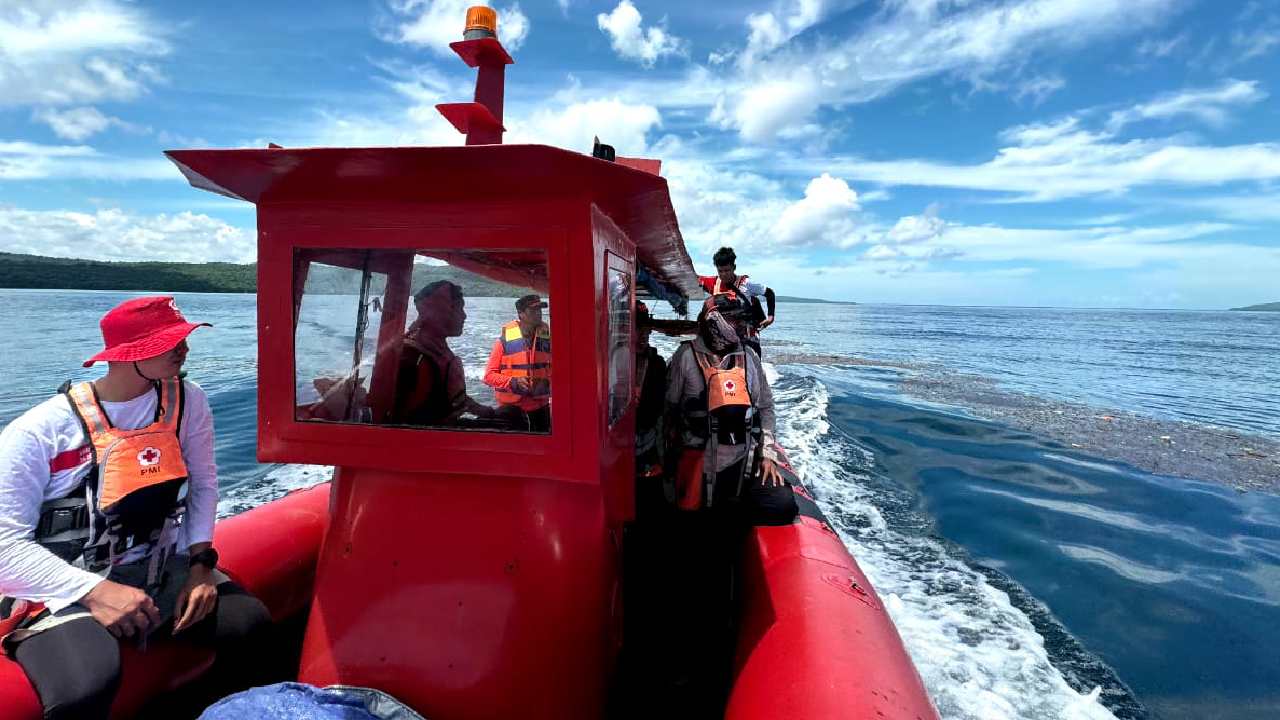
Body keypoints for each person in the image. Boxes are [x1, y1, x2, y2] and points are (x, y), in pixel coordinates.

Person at [0, 296, 272, 720]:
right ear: (129, 355)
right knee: (85, 684)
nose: (184, 350)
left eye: (183, 339)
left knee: (249, 623)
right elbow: (5, 545)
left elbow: (203, 483)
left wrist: (201, 566)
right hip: (63, 585)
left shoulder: (188, 402)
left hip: (157, 566)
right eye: (170, 343)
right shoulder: (38, 433)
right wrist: (95, 592)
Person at [660, 294, 796, 713]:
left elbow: (766, 408)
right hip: (699, 473)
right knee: (693, 570)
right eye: (734, 321)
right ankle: (686, 660)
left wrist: (767, 453)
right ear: (714, 321)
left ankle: (727, 634)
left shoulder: (748, 358)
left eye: (742, 322)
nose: (741, 328)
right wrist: (668, 474)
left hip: (739, 471)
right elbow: (669, 415)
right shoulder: (685, 360)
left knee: (781, 507)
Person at [394, 281, 495, 426]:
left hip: (442, 429)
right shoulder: (413, 358)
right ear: (441, 312)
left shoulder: (435, 350)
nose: (464, 316)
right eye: (459, 309)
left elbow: (447, 396)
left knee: (510, 413)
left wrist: (481, 410)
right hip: (427, 436)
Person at [483, 294, 552, 432]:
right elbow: (488, 376)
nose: (538, 313)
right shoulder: (503, 343)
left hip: (541, 408)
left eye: (540, 309)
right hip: (514, 412)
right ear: (521, 314)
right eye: (533, 310)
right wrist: (512, 382)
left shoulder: (547, 338)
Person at [696, 246, 776, 357]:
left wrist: (770, 317)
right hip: (724, 342)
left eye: (727, 270)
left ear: (734, 267)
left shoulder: (746, 283)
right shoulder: (713, 283)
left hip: (748, 340)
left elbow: (769, 293)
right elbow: (692, 278)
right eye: (720, 271)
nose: (724, 274)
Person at [633, 302, 667, 519]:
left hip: (647, 440)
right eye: (638, 329)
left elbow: (662, 405)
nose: (644, 334)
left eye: (647, 329)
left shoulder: (657, 364)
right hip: (617, 443)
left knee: (649, 496)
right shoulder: (610, 360)